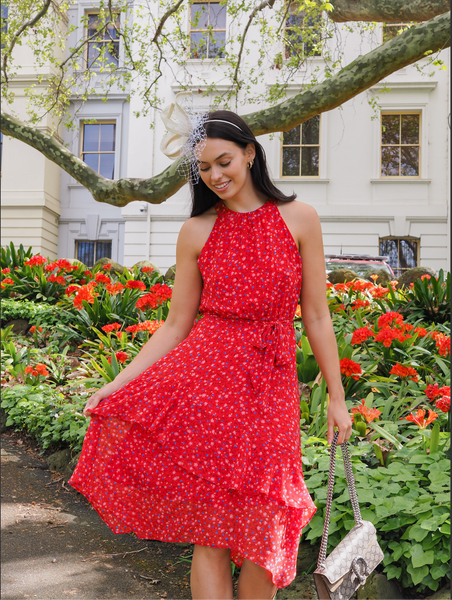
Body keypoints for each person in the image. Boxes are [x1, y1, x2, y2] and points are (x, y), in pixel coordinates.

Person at [69, 103, 352, 600]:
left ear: (249, 153)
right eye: (203, 168)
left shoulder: (300, 219)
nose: (215, 175)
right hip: (208, 388)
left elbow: (317, 315)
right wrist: (117, 384)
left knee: (265, 528)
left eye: (223, 161)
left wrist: (336, 395)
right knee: (213, 532)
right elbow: (176, 324)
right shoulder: (196, 231)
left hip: (270, 389)